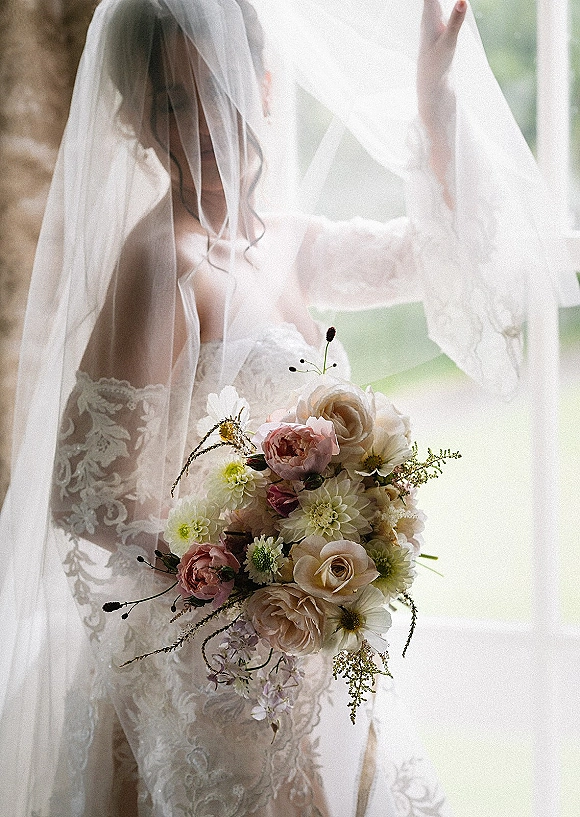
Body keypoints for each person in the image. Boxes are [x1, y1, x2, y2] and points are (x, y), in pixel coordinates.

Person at [0, 1, 578, 816]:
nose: (201, 121)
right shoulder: (162, 263)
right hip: (217, 674)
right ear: (133, 117)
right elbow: (83, 491)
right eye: (170, 100)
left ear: (263, 85)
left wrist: (434, 101)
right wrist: (242, 558)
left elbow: (428, 251)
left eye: (219, 88)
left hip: (299, 647)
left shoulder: (284, 242)